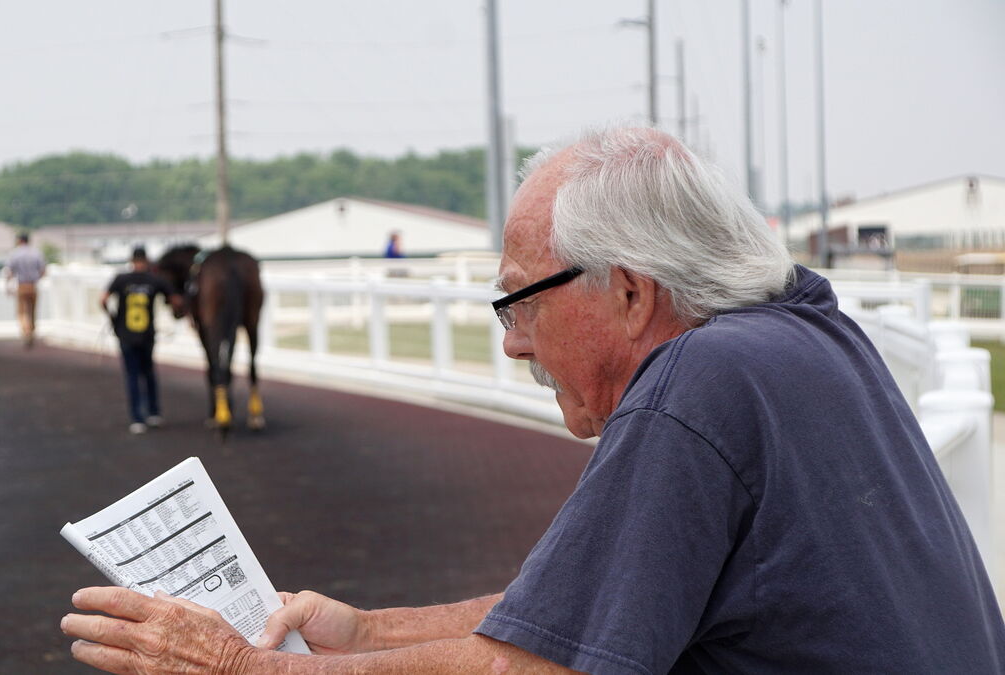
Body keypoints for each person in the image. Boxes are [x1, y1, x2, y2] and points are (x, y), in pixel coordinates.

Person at [62, 127, 1005, 673]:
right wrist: (369, 632)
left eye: (520, 300)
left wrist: (243, 666)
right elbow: (580, 607)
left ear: (630, 292)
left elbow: (535, 668)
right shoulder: (805, 331)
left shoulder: (700, 382)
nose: (512, 339)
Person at [101, 247, 180, 435]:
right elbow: (176, 300)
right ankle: (154, 413)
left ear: (132, 261)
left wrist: (113, 318)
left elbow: (103, 299)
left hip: (126, 335)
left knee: (132, 376)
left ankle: (137, 418)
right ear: (147, 261)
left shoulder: (121, 279)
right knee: (149, 373)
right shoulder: (155, 280)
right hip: (146, 335)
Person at [4, 232, 45, 348]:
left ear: (19, 240)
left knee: (22, 312)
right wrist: (37, 279)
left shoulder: (15, 254)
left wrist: (8, 286)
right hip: (33, 285)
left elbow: (9, 271)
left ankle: (26, 331)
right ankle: (32, 331)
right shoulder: (37, 253)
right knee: (32, 311)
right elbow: (43, 270)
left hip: (22, 285)